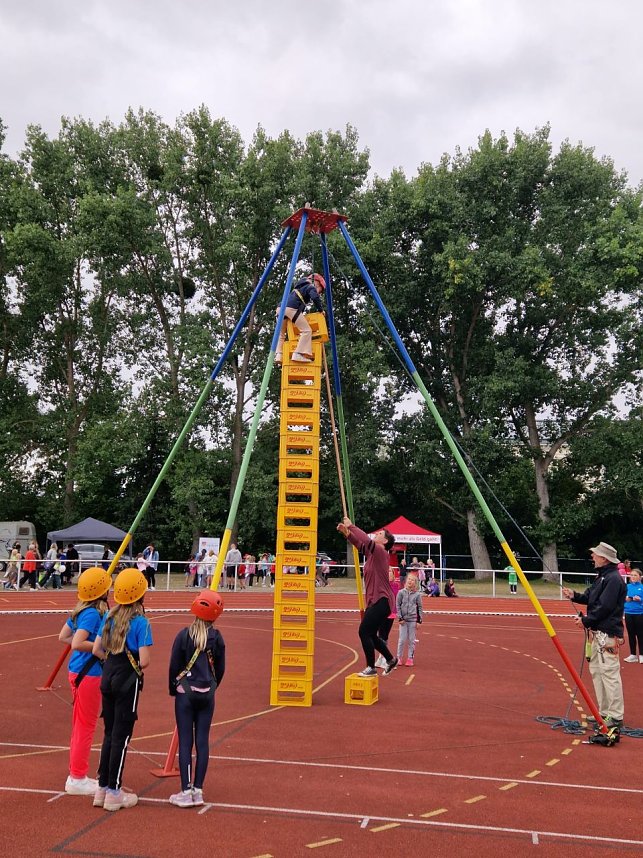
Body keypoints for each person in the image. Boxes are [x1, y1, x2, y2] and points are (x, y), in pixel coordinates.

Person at [92, 568, 153, 811]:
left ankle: (102, 787)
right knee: (122, 736)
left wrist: (111, 663)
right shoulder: (140, 622)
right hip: (128, 680)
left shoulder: (109, 617)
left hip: (108, 675)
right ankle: (115, 792)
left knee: (108, 733)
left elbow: (97, 649)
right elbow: (145, 660)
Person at [168, 590, 225, 808]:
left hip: (185, 694)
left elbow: (174, 665)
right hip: (207, 694)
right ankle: (198, 790)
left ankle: (185, 790)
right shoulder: (217, 638)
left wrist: (173, 689)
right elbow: (221, 668)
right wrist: (212, 686)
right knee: (202, 741)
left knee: (185, 741)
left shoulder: (184, 635)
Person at [58, 567, 111, 795]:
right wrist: (101, 650)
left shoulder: (81, 610)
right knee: (85, 725)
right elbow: (76, 642)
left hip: (79, 671)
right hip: (88, 675)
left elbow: (64, 636)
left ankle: (77, 773)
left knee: (81, 724)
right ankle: (77, 777)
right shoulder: (91, 613)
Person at [562, 541, 626, 729]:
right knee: (598, 672)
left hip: (607, 633)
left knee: (609, 674)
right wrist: (574, 595)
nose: (592, 557)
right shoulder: (602, 577)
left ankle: (615, 715)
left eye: (595, 554)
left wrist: (586, 620)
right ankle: (604, 712)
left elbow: (604, 607)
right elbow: (590, 598)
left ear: (604, 559)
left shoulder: (613, 579)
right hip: (598, 633)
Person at [337, 516, 398, 677]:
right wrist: (347, 534)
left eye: (379, 534)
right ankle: (391, 660)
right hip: (376, 601)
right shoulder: (373, 555)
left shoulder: (381, 551)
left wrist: (352, 526)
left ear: (384, 542)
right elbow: (359, 544)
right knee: (370, 633)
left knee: (363, 632)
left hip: (382, 600)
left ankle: (371, 667)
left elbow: (365, 539)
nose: (376, 534)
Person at [275, 273, 325, 365]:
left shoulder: (299, 288)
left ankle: (279, 354)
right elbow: (315, 297)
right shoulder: (310, 286)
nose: (319, 292)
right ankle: (298, 353)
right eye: (319, 290)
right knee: (307, 330)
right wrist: (321, 310)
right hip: (291, 308)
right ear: (316, 282)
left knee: (281, 334)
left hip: (280, 309)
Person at [396, 574, 423, 666]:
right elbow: (397, 606)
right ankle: (399, 657)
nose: (410, 581)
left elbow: (419, 608)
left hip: (412, 620)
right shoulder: (401, 593)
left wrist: (419, 621)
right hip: (403, 620)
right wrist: (400, 618)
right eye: (409, 579)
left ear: (415, 583)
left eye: (412, 580)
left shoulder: (417, 595)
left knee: (411, 640)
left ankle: (410, 658)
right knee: (402, 639)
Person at [623, 568, 643, 664]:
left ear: (640, 577)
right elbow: (622, 598)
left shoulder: (642, 587)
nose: (633, 577)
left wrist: (640, 600)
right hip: (628, 613)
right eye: (632, 575)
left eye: (635, 575)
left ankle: (642, 655)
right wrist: (626, 599)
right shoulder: (627, 586)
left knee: (640, 635)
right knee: (631, 634)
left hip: (639, 613)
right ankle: (633, 655)